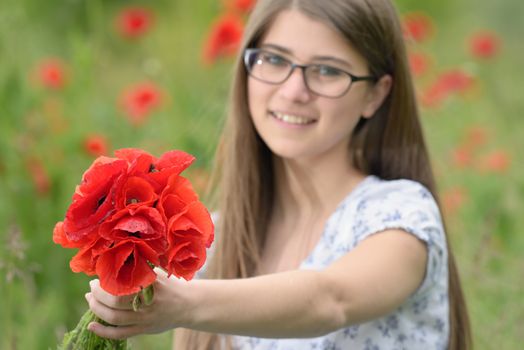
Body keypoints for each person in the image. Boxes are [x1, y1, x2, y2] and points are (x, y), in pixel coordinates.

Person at [85, 0, 472, 349]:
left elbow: (330, 300)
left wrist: (185, 303)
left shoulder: (400, 215)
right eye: (274, 60)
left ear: (376, 94)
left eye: (326, 71)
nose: (293, 91)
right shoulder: (214, 242)